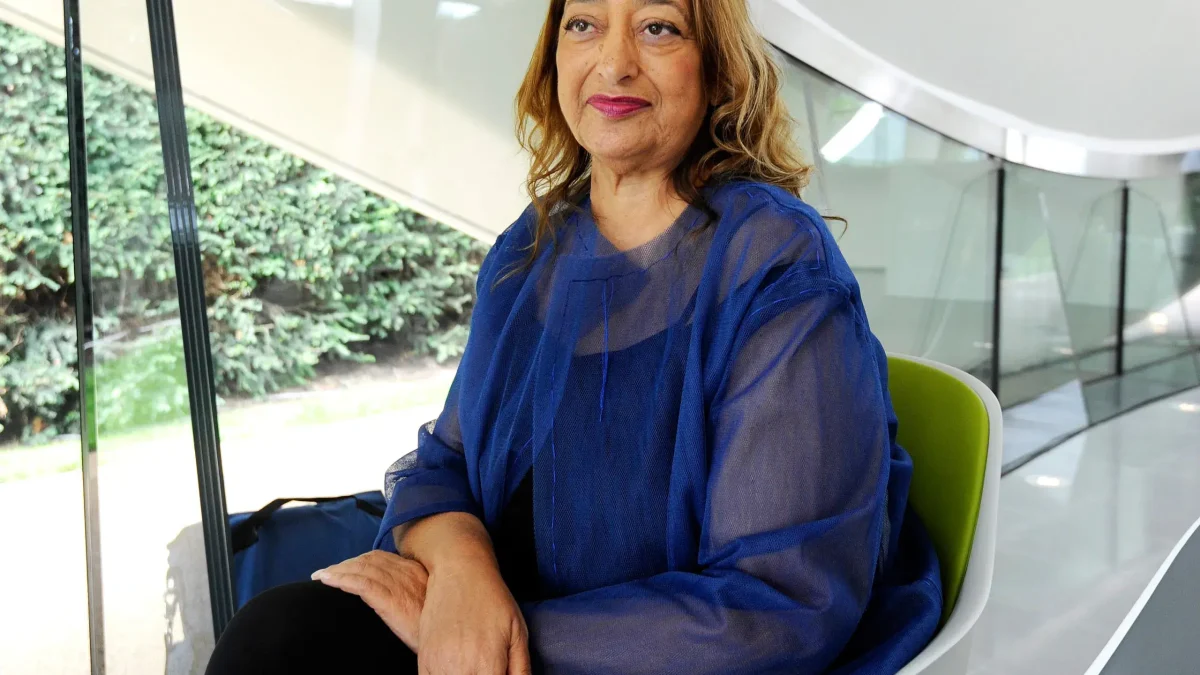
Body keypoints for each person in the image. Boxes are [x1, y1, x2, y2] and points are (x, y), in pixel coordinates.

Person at [206, 0, 942, 672]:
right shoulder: (531, 249)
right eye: (583, 24)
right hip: (489, 616)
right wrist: (461, 578)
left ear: (717, 68)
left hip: (662, 657)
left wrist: (491, 634)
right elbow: (442, 466)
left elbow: (776, 610)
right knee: (275, 636)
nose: (613, 62)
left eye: (658, 28)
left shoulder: (775, 265)